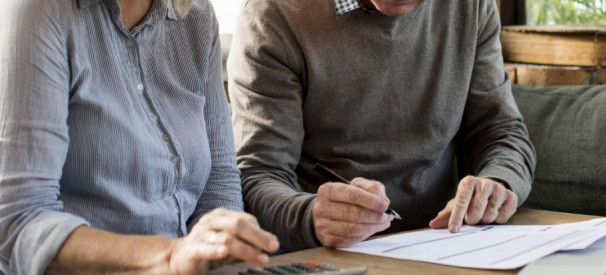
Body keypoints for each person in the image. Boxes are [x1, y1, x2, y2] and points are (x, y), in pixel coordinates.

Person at [228, 0, 536, 251]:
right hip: (329, 253)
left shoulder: (473, 6)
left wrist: (499, 183)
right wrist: (310, 217)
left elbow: (500, 132)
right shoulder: (274, 15)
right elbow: (257, 176)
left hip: (449, 243)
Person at [0, 0, 279, 274]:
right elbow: (21, 221)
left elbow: (219, 177)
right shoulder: (40, 11)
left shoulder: (196, 15)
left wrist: (218, 248)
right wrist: (170, 256)